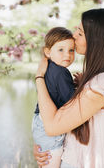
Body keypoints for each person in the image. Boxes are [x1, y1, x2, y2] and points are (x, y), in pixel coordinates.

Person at [34, 8, 104, 167]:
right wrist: (44, 144)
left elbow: (52, 126)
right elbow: (64, 122)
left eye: (80, 33)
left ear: (97, 40)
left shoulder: (103, 84)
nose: (73, 36)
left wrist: (39, 77)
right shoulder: (99, 79)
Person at [32, 27, 76, 168]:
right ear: (48, 52)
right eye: (61, 50)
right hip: (49, 127)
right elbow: (72, 102)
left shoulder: (49, 68)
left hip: (39, 121)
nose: (67, 55)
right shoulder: (62, 72)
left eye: (71, 50)